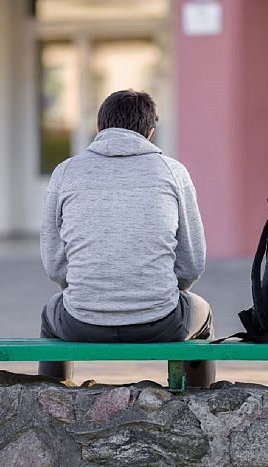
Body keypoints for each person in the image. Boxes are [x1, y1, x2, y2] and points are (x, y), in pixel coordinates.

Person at [38, 89, 215, 388]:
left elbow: (55, 265)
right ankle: (198, 404)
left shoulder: (66, 172)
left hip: (81, 322)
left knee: (50, 313)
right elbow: (192, 264)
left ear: (99, 128)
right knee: (204, 314)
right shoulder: (173, 172)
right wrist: (161, 292)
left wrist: (91, 292)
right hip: (161, 322)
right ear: (150, 132)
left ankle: (54, 402)